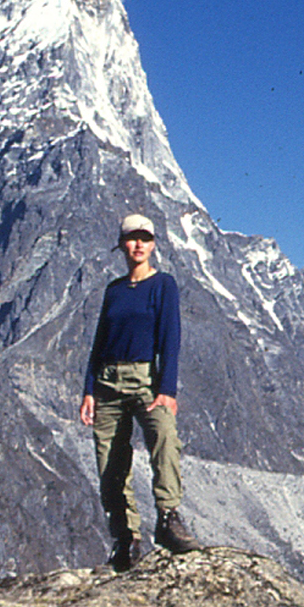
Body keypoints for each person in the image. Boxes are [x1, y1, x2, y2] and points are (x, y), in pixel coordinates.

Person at [79, 213, 203, 571]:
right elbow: (99, 342)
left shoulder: (163, 285)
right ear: (121, 243)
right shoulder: (114, 290)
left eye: (144, 238)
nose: (138, 244)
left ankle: (168, 519)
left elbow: (171, 338)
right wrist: (89, 389)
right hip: (107, 382)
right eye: (131, 238)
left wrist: (167, 388)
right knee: (110, 463)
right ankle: (126, 539)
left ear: (153, 244)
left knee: (164, 437)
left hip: (146, 379)